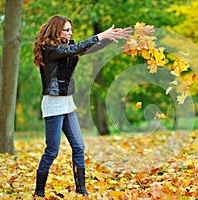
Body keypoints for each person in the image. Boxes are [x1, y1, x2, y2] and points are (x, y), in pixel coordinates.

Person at [33, 15, 132, 197]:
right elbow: (75, 49)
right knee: (52, 150)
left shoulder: (68, 46)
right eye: (66, 30)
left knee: (79, 147)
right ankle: (39, 191)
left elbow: (86, 48)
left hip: (68, 104)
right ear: (56, 30)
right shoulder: (49, 49)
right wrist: (100, 35)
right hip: (53, 104)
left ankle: (81, 189)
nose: (70, 33)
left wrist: (109, 39)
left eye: (71, 30)